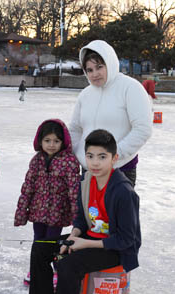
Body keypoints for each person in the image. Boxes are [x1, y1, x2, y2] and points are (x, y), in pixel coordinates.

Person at [15, 129, 141, 294]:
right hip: (90, 239)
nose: (95, 162)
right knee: (42, 247)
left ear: (114, 158)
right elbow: (82, 218)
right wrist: (74, 235)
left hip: (115, 249)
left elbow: (126, 239)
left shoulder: (123, 192)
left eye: (102, 156)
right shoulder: (87, 181)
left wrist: (83, 244)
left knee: (68, 264)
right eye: (90, 156)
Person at [69, 40, 152, 187]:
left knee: (116, 210)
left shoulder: (130, 88)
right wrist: (82, 156)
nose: (94, 74)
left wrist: (112, 155)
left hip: (120, 169)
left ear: (110, 63)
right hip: (89, 170)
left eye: (99, 67)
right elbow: (75, 129)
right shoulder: (85, 94)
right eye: (89, 70)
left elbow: (142, 129)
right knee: (89, 210)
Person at [14, 119, 80, 286]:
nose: (51, 145)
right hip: (38, 210)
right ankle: (36, 268)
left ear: (63, 142)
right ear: (40, 141)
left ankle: (58, 269)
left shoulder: (69, 161)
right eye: (47, 141)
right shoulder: (36, 161)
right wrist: (22, 211)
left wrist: (77, 216)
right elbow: (28, 186)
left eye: (56, 141)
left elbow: (74, 190)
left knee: (54, 242)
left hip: (57, 212)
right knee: (38, 241)